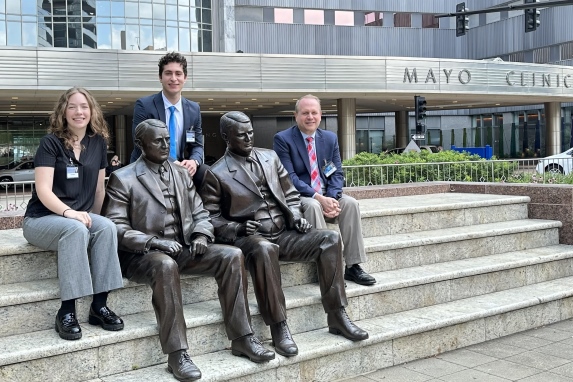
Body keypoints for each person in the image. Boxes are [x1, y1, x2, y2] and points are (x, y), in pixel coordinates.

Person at [102, 119, 274, 381]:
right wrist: (153, 242)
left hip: (183, 247)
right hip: (143, 255)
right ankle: (177, 353)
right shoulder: (122, 178)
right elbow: (115, 227)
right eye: (157, 140)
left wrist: (201, 234)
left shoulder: (181, 173)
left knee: (232, 255)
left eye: (167, 140)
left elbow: (201, 213)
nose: (165, 145)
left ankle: (242, 337)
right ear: (139, 144)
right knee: (164, 265)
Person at [200, 111, 369, 359]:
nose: (248, 138)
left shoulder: (269, 157)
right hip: (251, 239)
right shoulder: (216, 173)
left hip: (283, 232)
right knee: (264, 248)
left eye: (250, 133)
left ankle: (337, 315)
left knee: (329, 239)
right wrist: (235, 228)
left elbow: (290, 194)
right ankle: (279, 327)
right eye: (241, 135)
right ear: (226, 137)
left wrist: (296, 216)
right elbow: (209, 217)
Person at [22, 87, 124, 341]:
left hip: (77, 219)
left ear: (92, 111)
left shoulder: (98, 142)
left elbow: (100, 189)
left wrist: (96, 223)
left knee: (107, 227)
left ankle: (99, 306)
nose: (79, 112)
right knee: (76, 228)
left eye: (84, 106)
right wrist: (70, 213)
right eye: (72, 106)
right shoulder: (51, 143)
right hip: (41, 219)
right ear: (63, 112)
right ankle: (66, 311)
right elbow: (43, 190)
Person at [273, 95, 376, 286]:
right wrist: (320, 198)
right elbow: (289, 178)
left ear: (320, 115)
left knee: (351, 203)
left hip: (326, 194)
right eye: (305, 113)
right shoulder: (283, 139)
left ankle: (353, 266)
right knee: (312, 206)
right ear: (296, 116)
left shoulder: (329, 138)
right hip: (300, 197)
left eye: (314, 112)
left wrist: (332, 198)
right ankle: (327, 268)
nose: (310, 117)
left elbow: (336, 173)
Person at [129, 52, 208, 188]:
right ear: (160, 77)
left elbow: (197, 145)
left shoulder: (194, 109)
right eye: (168, 73)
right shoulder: (144, 106)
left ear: (185, 77)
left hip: (182, 168)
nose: (173, 78)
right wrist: (171, 162)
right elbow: (141, 144)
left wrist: (194, 161)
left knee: (206, 173)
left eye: (178, 73)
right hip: (149, 167)